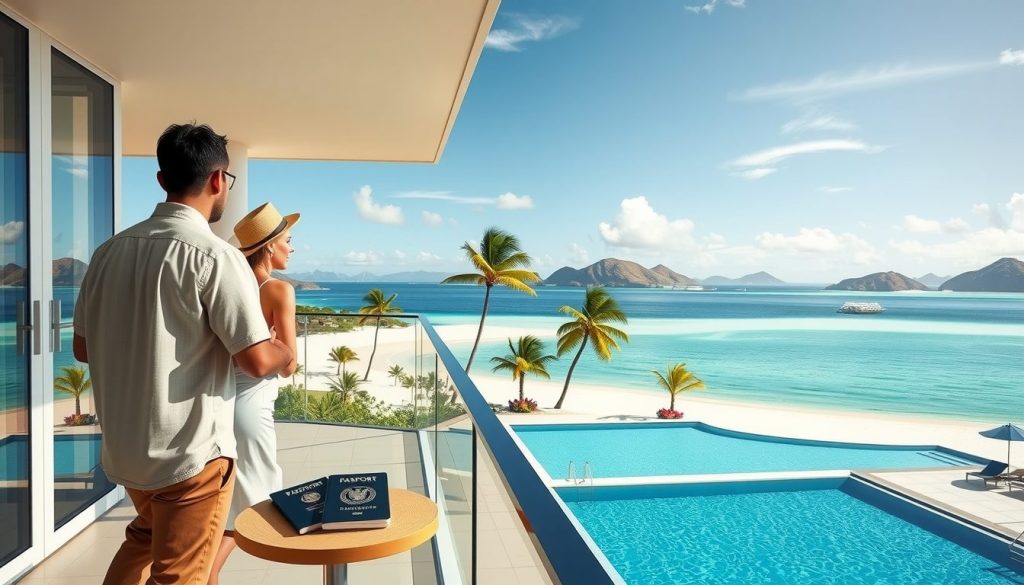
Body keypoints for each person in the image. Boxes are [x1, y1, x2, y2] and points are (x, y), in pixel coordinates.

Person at [73, 123, 293, 585]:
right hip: (190, 456)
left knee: (143, 542)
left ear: (161, 179)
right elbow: (253, 360)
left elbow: (82, 347)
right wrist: (281, 350)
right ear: (218, 180)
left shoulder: (107, 253)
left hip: (129, 451)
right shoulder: (214, 257)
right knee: (181, 576)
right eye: (227, 181)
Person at [208, 203, 299, 584]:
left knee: (226, 502)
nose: (292, 249)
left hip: (221, 399)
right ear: (270, 247)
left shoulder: (230, 286)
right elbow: (290, 361)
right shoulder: (279, 290)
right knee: (251, 506)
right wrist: (279, 349)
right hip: (253, 404)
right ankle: (203, 578)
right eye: (288, 242)